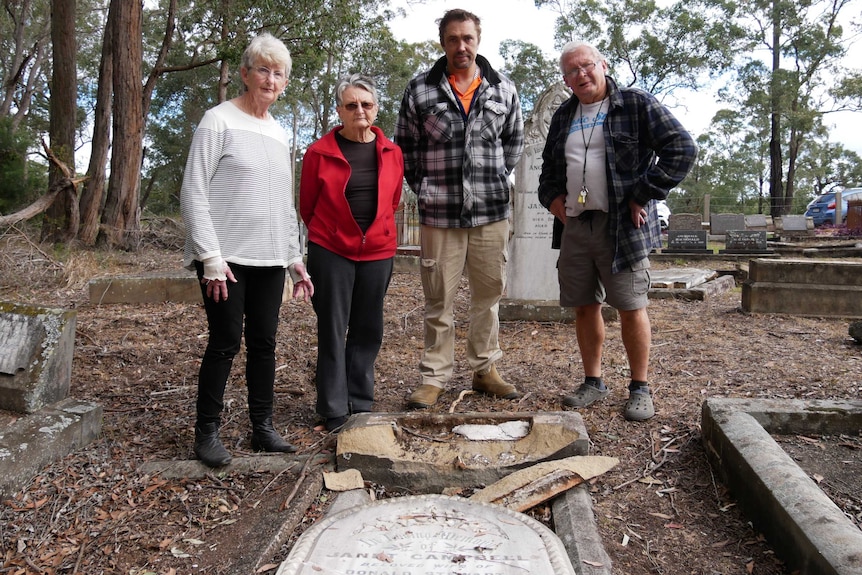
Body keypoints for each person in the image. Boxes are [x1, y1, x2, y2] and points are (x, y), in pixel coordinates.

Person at [538, 41, 697, 421]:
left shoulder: (636, 105)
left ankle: (640, 387)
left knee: (630, 306)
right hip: (577, 224)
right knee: (584, 305)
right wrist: (552, 198)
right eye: (572, 71)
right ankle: (593, 381)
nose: (581, 75)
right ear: (565, 80)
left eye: (587, 66)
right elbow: (547, 168)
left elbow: (682, 148)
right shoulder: (564, 115)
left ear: (603, 65)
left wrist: (642, 193)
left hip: (622, 226)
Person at [180, 32, 314, 467]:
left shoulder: (279, 132)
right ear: (245, 73)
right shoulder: (217, 121)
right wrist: (210, 258)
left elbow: (282, 202)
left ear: (284, 82)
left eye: (278, 73)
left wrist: (295, 260)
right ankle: (207, 433)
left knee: (264, 344)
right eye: (263, 69)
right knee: (223, 343)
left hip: (270, 258)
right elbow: (193, 190)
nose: (270, 80)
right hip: (226, 260)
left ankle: (262, 428)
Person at [395, 9, 525, 409]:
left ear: (478, 40)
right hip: (440, 216)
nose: (461, 46)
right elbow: (407, 150)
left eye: (467, 38)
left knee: (488, 297)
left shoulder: (502, 88)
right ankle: (434, 377)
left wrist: (489, 181)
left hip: (491, 213)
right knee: (439, 300)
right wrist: (428, 189)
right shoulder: (420, 90)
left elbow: (513, 144)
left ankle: (485, 369)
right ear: (443, 43)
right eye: (453, 39)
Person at [299, 74, 404, 432]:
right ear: (340, 111)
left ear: (376, 108)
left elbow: (393, 201)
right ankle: (332, 408)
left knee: (368, 326)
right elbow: (307, 206)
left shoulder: (392, 152)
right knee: (332, 326)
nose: (360, 110)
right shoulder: (318, 152)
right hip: (331, 250)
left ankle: (359, 402)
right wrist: (333, 233)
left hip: (377, 250)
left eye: (366, 104)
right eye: (351, 104)